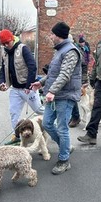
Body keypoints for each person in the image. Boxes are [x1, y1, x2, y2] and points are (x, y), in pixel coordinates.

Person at [31, 22, 81, 175]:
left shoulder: (71, 51)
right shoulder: (59, 51)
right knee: (46, 123)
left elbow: (65, 74)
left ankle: (64, 160)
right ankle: (66, 147)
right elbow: (53, 73)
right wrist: (41, 82)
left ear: (58, 35)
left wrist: (51, 91)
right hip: (55, 95)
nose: (50, 36)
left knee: (62, 128)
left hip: (65, 96)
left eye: (52, 34)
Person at [0, 29, 44, 145]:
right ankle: (17, 136)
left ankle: (51, 126)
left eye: (7, 42)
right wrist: (2, 82)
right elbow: (3, 69)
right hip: (15, 89)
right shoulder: (4, 52)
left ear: (12, 39)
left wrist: (29, 85)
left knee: (39, 110)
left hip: (27, 88)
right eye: (3, 44)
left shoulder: (23, 49)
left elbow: (32, 66)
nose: (5, 45)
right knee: (14, 113)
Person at [68, 35, 89, 128]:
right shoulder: (60, 49)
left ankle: (76, 117)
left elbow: (84, 65)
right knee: (67, 98)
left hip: (75, 78)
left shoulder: (76, 50)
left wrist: (84, 79)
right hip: (66, 78)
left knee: (72, 97)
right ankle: (73, 116)